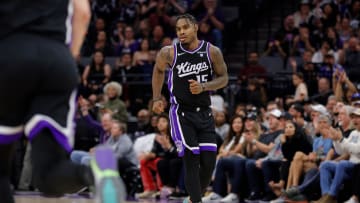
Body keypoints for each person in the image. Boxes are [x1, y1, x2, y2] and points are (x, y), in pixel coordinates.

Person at [0, 1, 124, 203]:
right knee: (49, 173)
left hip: (9, 55)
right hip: (56, 58)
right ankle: (94, 172)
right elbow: (83, 13)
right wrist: (67, 58)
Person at [152, 13, 228, 203]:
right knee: (191, 162)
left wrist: (205, 86)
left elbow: (223, 78)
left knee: (209, 164)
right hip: (180, 113)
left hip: (204, 112)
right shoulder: (169, 52)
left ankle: (193, 198)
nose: (181, 32)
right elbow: (158, 70)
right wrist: (156, 98)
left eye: (185, 27)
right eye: (178, 29)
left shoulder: (212, 52)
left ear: (195, 27)